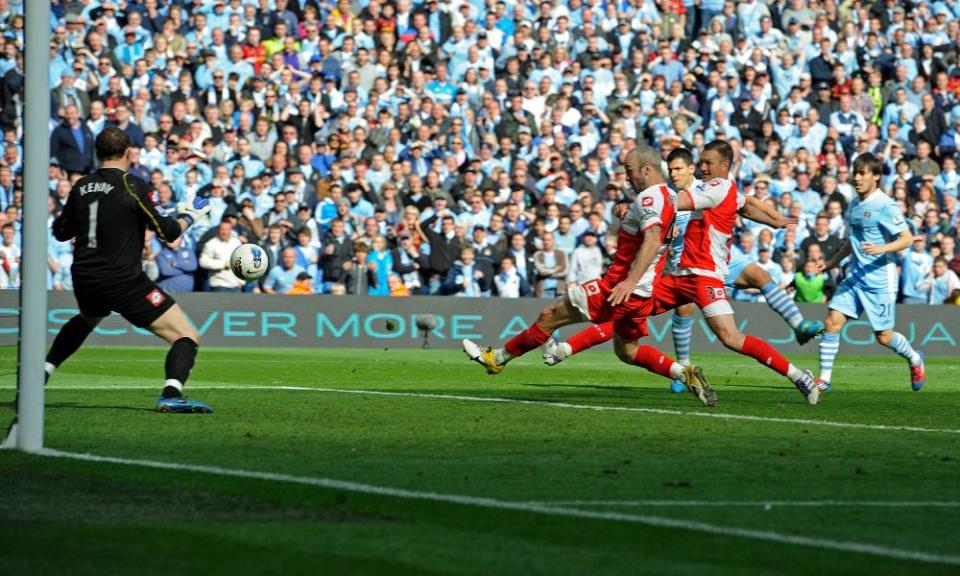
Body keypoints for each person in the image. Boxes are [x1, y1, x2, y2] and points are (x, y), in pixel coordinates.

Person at [545, 146, 823, 398]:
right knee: (625, 308)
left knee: (730, 337)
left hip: (705, 276)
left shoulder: (713, 187)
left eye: (707, 163)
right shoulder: (713, 188)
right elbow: (745, 206)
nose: (703, 167)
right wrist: (773, 220)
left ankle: (799, 375)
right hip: (678, 275)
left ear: (723, 166)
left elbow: (677, 203)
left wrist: (633, 208)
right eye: (700, 162)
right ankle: (564, 350)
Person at [462, 146, 713, 406]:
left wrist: (629, 280)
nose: (627, 177)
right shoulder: (669, 197)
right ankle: (683, 373)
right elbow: (655, 236)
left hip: (620, 286)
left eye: (629, 170)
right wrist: (629, 218)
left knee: (550, 315)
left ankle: (498, 358)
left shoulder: (649, 197)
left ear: (647, 169)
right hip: (643, 293)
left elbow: (652, 238)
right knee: (627, 351)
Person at [44, 127, 213, 413]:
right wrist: (190, 216)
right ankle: (172, 394)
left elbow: (61, 232)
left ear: (97, 153)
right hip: (122, 279)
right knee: (187, 336)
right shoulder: (132, 184)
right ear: (128, 152)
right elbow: (167, 231)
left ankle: (41, 373)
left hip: (85, 276)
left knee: (89, 317)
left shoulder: (81, 186)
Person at [816, 153, 925, 392]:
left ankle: (915, 359)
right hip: (855, 276)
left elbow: (907, 239)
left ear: (875, 176)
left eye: (862, 173)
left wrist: (881, 248)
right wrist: (833, 262)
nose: (857, 177)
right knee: (832, 321)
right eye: (855, 172)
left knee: (884, 337)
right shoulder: (854, 203)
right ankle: (824, 379)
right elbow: (852, 240)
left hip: (879, 279)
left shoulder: (885, 205)